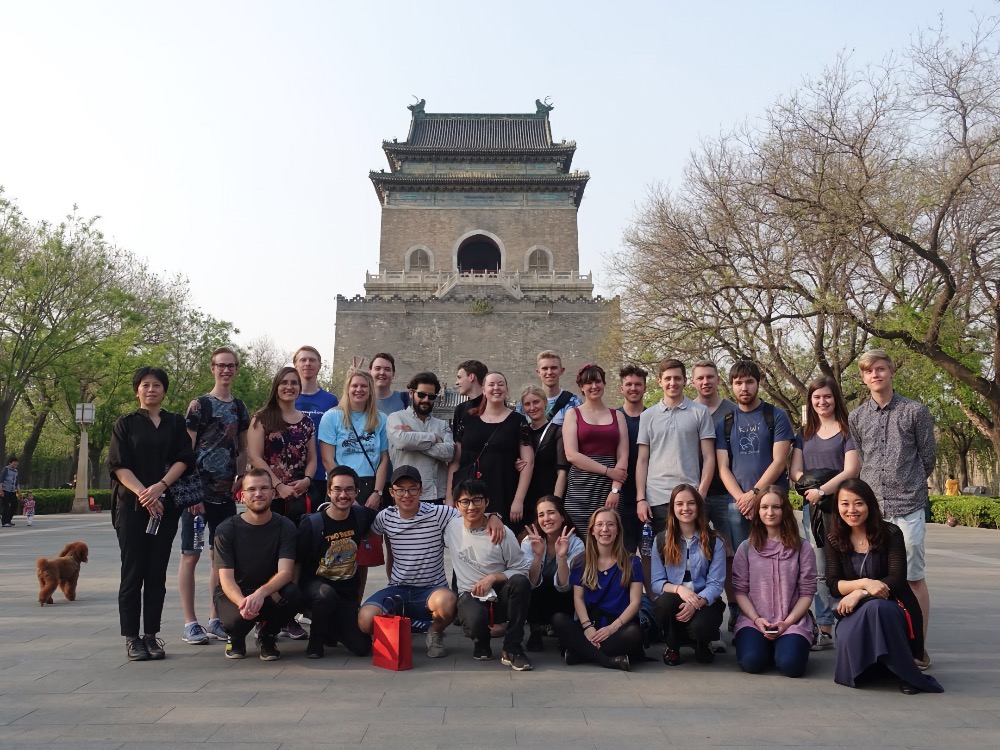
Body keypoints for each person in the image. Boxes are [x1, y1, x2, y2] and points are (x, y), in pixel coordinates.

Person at [357, 466, 504, 658]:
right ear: (392, 492)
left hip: (432, 590)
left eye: (412, 489)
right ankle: (400, 628)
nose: (406, 495)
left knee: (449, 602)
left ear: (421, 490)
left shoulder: (438, 513)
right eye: (400, 490)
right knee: (365, 620)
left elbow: (470, 512)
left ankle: (434, 632)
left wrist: (493, 516)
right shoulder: (385, 517)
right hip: (397, 588)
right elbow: (368, 537)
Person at [848, 349, 935, 661]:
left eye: (881, 369)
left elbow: (928, 459)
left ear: (891, 372)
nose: (875, 375)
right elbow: (861, 459)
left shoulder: (915, 412)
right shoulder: (857, 417)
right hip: (874, 511)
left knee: (912, 576)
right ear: (863, 377)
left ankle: (918, 647)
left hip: (908, 505)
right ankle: (882, 644)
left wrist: (907, 483)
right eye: (869, 371)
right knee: (877, 576)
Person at [826, 478, 943, 694]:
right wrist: (865, 585)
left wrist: (859, 593)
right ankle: (886, 667)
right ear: (837, 507)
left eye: (858, 503)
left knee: (878, 608)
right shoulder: (835, 538)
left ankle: (906, 674)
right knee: (873, 609)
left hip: (891, 605)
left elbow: (897, 579)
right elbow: (833, 585)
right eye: (845, 504)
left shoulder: (890, 533)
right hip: (851, 612)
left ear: (870, 504)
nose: (852, 510)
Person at [108, 367, 193, 661]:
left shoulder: (175, 422)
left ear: (164, 390)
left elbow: (184, 458)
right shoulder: (126, 424)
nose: (151, 389)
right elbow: (119, 466)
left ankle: (151, 636)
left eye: (157, 385)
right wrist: (145, 495)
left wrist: (160, 487)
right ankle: (132, 638)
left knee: (156, 573)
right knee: (133, 573)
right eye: (145, 385)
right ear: (137, 390)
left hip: (165, 507)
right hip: (131, 508)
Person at [178, 346, 251, 646]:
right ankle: (189, 621)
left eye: (231, 366)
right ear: (212, 368)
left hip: (226, 495)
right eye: (221, 365)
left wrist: (241, 477)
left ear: (236, 369)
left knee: (219, 559)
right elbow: (185, 451)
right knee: (190, 556)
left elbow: (243, 447)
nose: (226, 370)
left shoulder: (240, 407)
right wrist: (191, 491)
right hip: (197, 496)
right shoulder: (199, 406)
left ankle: (214, 618)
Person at [715, 360, 794, 633]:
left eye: (749, 381)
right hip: (739, 507)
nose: (744, 387)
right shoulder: (725, 421)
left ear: (758, 383)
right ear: (732, 386)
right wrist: (742, 499)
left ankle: (784, 611)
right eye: (738, 382)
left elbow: (779, 462)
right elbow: (723, 467)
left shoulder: (776, 415)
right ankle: (740, 613)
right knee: (742, 561)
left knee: (780, 558)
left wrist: (755, 495)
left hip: (772, 502)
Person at [789, 375, 859, 650]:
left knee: (847, 563)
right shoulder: (804, 434)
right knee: (818, 568)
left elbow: (851, 470)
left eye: (827, 396)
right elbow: (795, 471)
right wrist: (808, 486)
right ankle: (824, 627)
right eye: (816, 397)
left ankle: (850, 622)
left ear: (835, 398)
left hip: (845, 508)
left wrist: (824, 490)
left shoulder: (846, 431)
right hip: (813, 510)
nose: (822, 402)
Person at [213, 469, 301, 661]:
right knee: (235, 619)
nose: (258, 494)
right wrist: (242, 603)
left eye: (263, 488)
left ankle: (267, 635)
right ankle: (235, 636)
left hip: (269, 591)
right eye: (251, 489)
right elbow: (226, 579)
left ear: (273, 493)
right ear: (242, 496)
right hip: (236, 593)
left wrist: (260, 594)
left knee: (294, 594)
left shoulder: (286, 526)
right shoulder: (226, 529)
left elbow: (285, 572)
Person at [446, 479, 533, 671]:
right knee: (475, 619)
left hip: (500, 594)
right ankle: (481, 641)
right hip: (470, 595)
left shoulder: (502, 533)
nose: (471, 506)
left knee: (520, 583)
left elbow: (521, 569)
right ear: (457, 504)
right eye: (465, 501)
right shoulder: (451, 527)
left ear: (486, 502)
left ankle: (512, 648)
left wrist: (493, 578)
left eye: (477, 500)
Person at [319, 368, 390, 603]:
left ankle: (354, 605)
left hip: (370, 485)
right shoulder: (332, 417)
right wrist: (346, 492)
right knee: (336, 547)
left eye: (364, 386)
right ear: (347, 389)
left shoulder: (380, 419)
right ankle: (328, 602)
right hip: (341, 485)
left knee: (362, 552)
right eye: (355, 386)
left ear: (370, 391)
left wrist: (378, 492)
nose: (359, 390)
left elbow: (383, 459)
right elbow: (328, 459)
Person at [732, 487, 817, 678]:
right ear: (758, 511)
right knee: (751, 662)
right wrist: (755, 619)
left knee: (791, 666)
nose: (770, 512)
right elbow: (740, 591)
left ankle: (787, 647)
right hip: (754, 620)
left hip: (791, 620)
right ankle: (763, 646)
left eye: (776, 507)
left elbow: (807, 592)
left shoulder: (802, 548)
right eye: (764, 507)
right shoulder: (746, 548)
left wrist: (787, 623)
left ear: (784, 510)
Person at [295, 465, 376, 659]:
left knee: (362, 648)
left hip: (346, 593)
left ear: (357, 492)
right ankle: (316, 640)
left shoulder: (362, 516)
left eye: (349, 489)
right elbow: (296, 561)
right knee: (325, 595)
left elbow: (392, 518)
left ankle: (330, 627)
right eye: (337, 489)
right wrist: (294, 595)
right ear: (329, 491)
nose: (343, 495)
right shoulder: (312, 523)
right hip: (316, 589)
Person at [551, 508, 643, 671]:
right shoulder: (581, 561)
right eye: (599, 524)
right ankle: (607, 661)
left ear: (618, 530)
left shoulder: (632, 562)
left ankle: (580, 653)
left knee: (634, 633)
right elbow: (578, 598)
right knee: (559, 619)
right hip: (590, 625)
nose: (605, 529)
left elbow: (635, 602)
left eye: (610, 525)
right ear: (592, 530)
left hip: (618, 625)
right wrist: (587, 627)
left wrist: (611, 628)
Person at [636, 359, 716, 535]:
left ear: (685, 380)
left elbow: (709, 457)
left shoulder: (700, 412)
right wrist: (641, 498)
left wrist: (701, 493)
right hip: (657, 498)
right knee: (661, 554)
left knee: (692, 552)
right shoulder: (647, 416)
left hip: (690, 496)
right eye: (668, 379)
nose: (673, 383)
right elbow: (642, 460)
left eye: (677, 378)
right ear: (660, 381)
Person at [650, 484, 726, 665]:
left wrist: (696, 603)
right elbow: (656, 582)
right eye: (680, 504)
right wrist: (678, 590)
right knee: (664, 602)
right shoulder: (661, 540)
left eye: (691, 503)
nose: (685, 508)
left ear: (699, 507)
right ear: (672, 508)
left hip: (704, 601)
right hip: (675, 600)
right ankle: (672, 646)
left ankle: (703, 643)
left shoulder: (715, 542)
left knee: (702, 627)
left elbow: (715, 585)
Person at [691, 359, 739, 646]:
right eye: (700, 378)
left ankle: (735, 610)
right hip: (692, 493)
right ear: (693, 382)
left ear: (718, 379)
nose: (705, 382)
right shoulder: (688, 410)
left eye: (710, 377)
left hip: (726, 493)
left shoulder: (731, 411)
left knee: (732, 554)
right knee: (694, 554)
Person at [449, 372, 533, 532]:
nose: (496, 388)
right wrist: (450, 496)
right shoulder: (468, 420)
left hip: (504, 490)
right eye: (492, 384)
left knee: (502, 541)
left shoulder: (518, 421)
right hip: (469, 495)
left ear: (507, 389)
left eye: (501, 384)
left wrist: (518, 500)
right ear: (484, 390)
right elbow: (455, 461)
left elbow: (528, 463)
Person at [562, 364, 628, 538]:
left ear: (604, 384)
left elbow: (623, 455)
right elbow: (571, 455)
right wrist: (608, 471)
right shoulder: (572, 414)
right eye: (588, 383)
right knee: (581, 540)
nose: (594, 386)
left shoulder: (617, 416)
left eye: (598, 381)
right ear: (582, 387)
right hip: (581, 487)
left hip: (610, 488)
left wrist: (615, 490)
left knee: (609, 536)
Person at [248, 367, 317, 527]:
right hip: (269, 494)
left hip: (298, 495)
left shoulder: (307, 422)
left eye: (294, 383)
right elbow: (255, 457)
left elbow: (313, 458)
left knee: (298, 545)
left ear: (299, 387)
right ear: (276, 387)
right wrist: (279, 486)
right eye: (284, 382)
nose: (289, 387)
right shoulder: (261, 418)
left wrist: (307, 480)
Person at [521, 495, 584, 652]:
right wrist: (537, 555)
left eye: (551, 513)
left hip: (563, 600)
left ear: (562, 516)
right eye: (541, 515)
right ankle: (535, 631)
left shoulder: (576, 543)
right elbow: (530, 583)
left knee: (570, 587)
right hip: (537, 598)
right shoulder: (530, 541)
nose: (546, 519)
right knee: (522, 585)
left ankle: (563, 631)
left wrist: (561, 557)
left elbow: (566, 586)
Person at [387, 371, 454, 504]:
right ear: (411, 393)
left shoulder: (442, 425)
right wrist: (433, 438)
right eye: (422, 395)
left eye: (431, 396)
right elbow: (402, 442)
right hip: (406, 497)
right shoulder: (395, 418)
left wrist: (414, 439)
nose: (426, 400)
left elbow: (449, 453)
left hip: (437, 495)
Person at [293, 345, 339, 511]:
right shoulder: (286, 397)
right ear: (295, 365)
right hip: (290, 475)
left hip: (320, 473)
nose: (307, 363)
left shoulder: (331, 400)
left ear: (320, 365)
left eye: (312, 360)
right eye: (303, 360)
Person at [520, 385, 568, 519]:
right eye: (527, 404)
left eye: (536, 402)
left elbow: (562, 472)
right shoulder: (522, 431)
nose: (532, 407)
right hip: (524, 497)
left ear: (545, 402)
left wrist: (555, 504)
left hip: (548, 494)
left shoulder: (557, 431)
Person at [617, 365, 648, 553]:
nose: (633, 388)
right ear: (621, 388)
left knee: (649, 554)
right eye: (629, 384)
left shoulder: (654, 417)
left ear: (645, 387)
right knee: (623, 554)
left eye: (638, 384)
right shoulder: (612, 418)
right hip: (620, 497)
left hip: (648, 497)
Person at [516, 350, 582, 425]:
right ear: (538, 372)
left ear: (561, 371)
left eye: (553, 368)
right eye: (545, 368)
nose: (549, 372)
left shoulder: (574, 402)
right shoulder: (523, 404)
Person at [452, 359, 488, 435]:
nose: (456, 383)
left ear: (471, 377)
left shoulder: (493, 406)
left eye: (459, 377)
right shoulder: (460, 409)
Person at [1, 456, 19, 527]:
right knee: (6, 506)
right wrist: (1, 490)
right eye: (14, 464)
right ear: (10, 463)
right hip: (5, 489)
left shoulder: (16, 471)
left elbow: (16, 483)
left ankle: (8, 519)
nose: (15, 466)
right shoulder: (6, 469)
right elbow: (1, 481)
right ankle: (4, 522)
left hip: (12, 490)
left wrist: (19, 492)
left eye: (16, 464)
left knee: (15, 504)